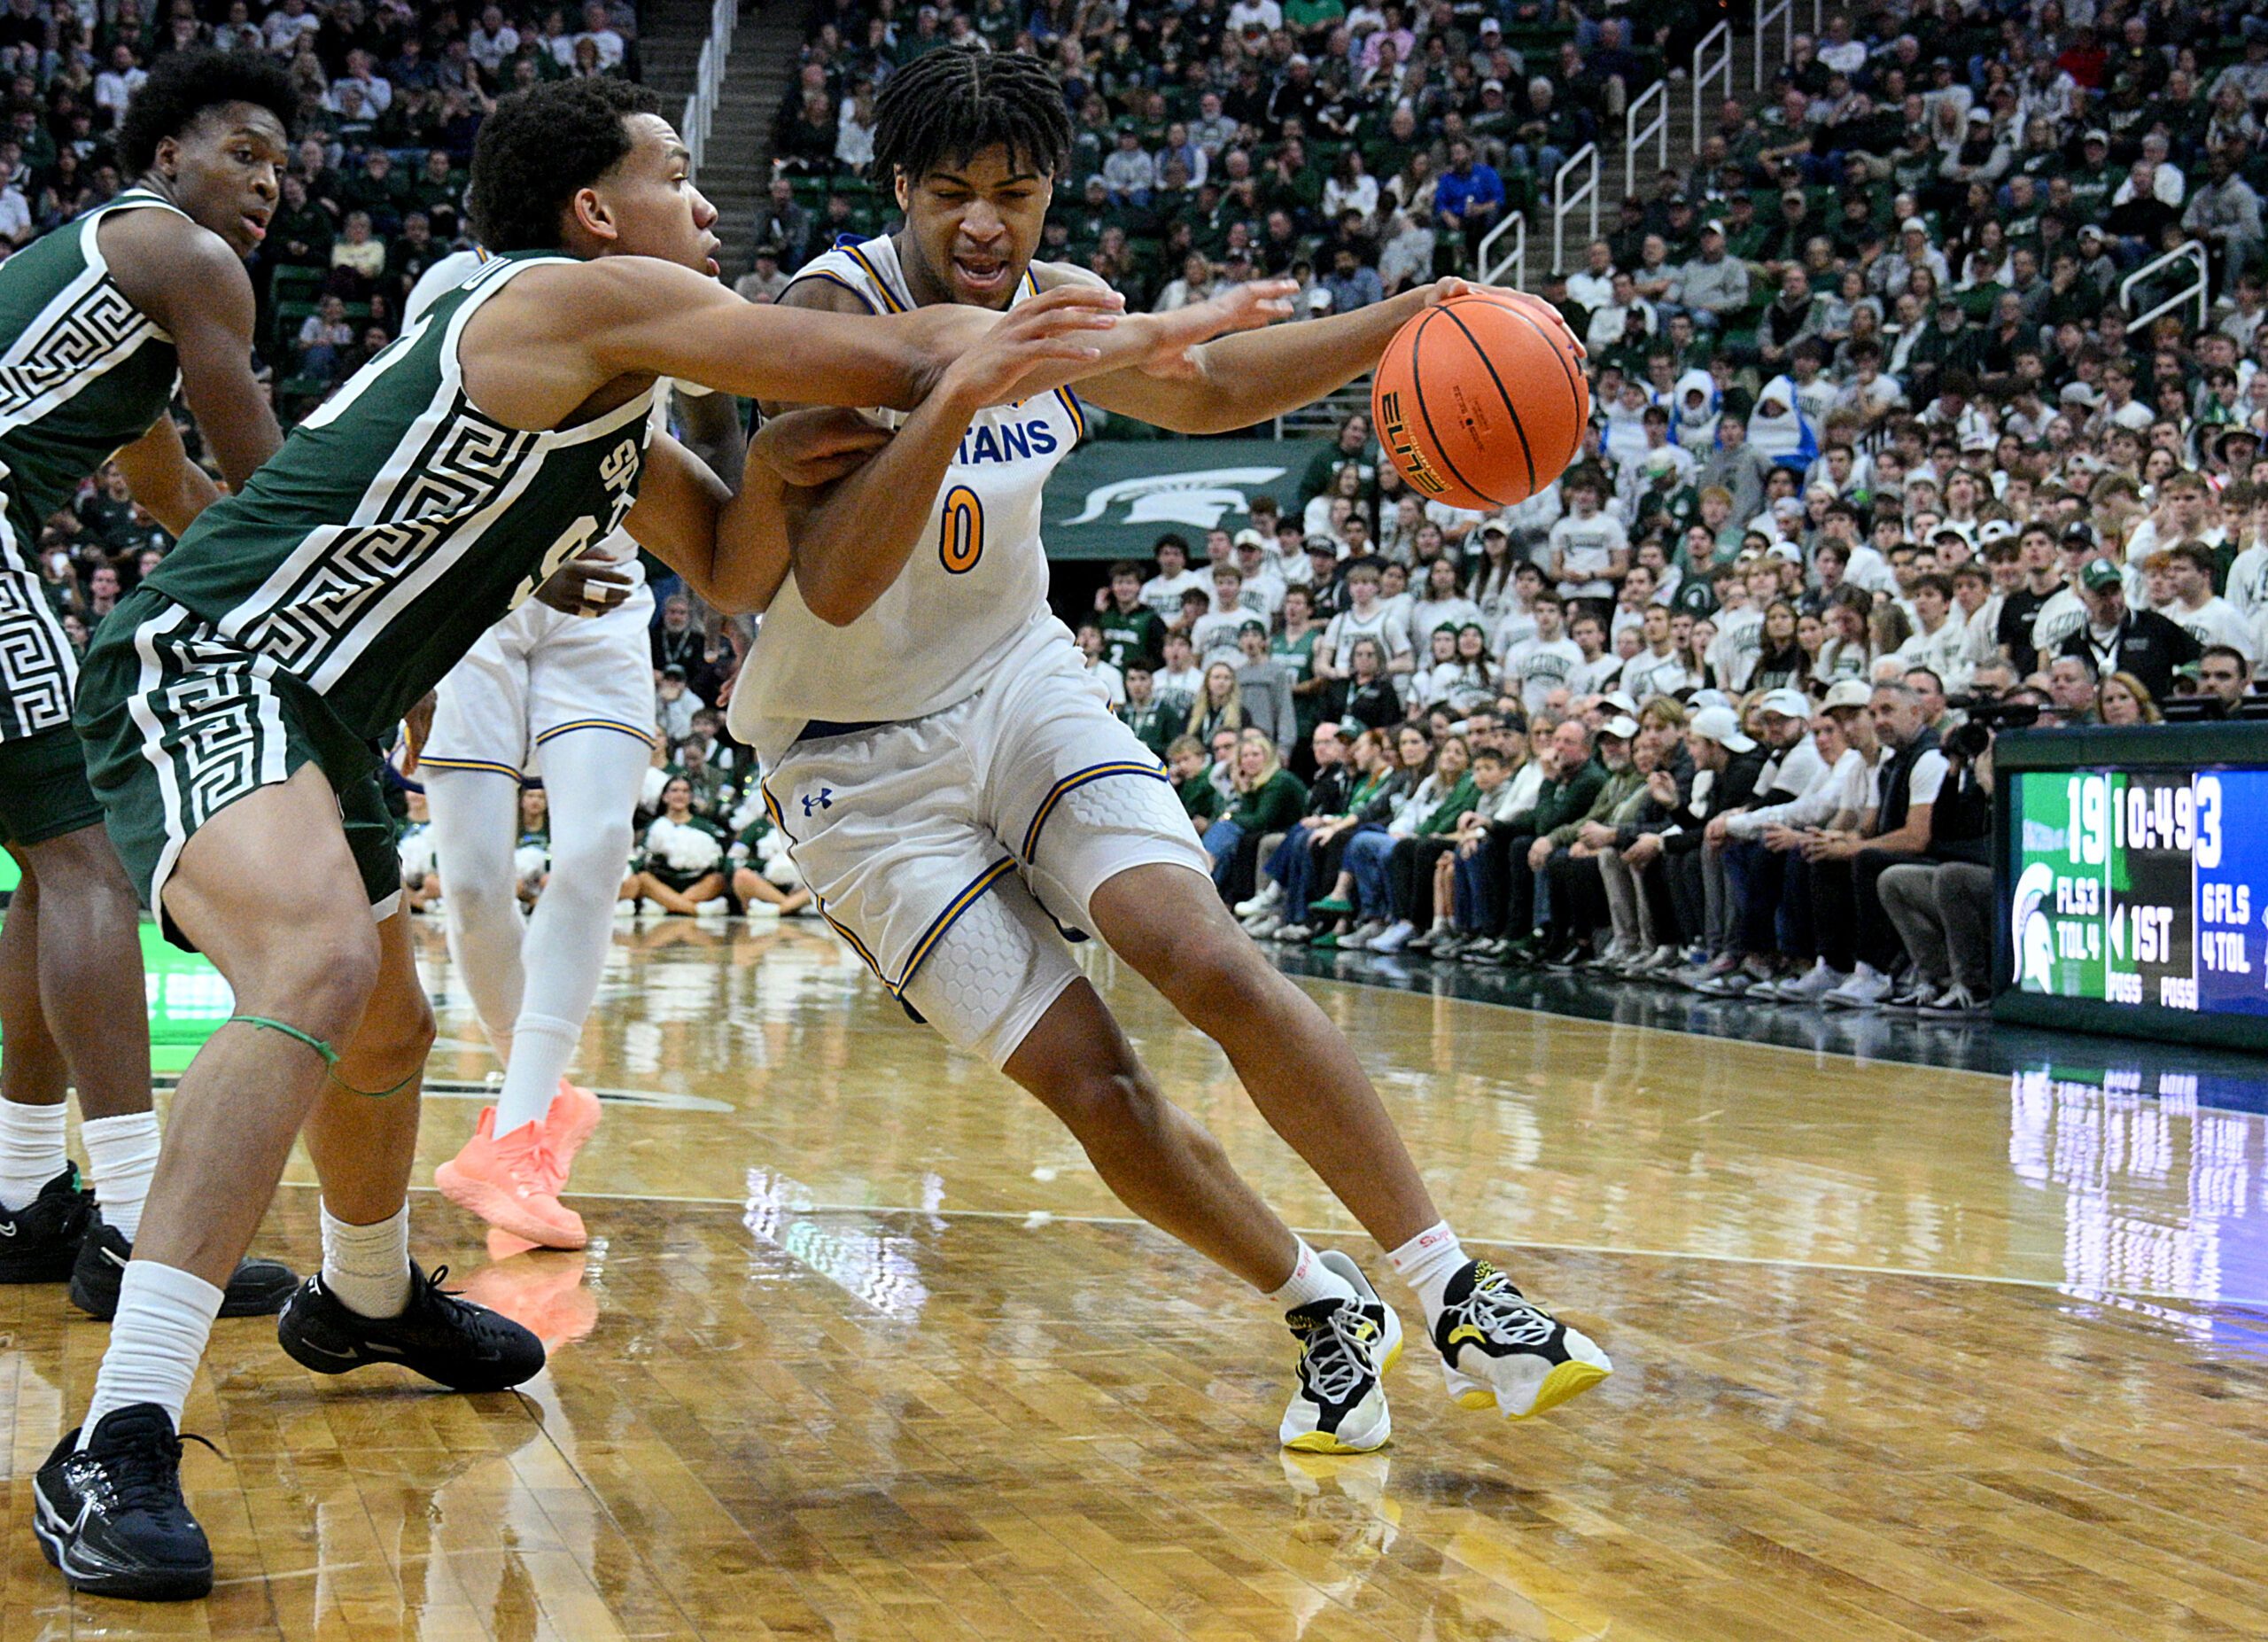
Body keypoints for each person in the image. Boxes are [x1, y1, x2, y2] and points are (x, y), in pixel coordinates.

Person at [44, 76, 1159, 1602]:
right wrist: (1136, 335)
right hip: (215, 655)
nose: (708, 209)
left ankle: (365, 1298)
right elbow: (903, 348)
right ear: (595, 213)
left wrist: (766, 475)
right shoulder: (569, 301)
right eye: (677, 177)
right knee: (310, 965)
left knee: (391, 1024)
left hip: (326, 704)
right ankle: (117, 1429)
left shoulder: (613, 397)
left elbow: (730, 570)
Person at [732, 48, 1611, 1475]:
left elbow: (1199, 390)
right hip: (853, 765)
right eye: (951, 192)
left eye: (1015, 194)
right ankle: (1317, 1304)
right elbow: (825, 586)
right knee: (1094, 1087)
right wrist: (964, 386)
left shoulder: (1058, 303)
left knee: (1201, 955)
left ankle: (1456, 1287)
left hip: (1017, 682)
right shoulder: (827, 315)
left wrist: (1411, 315)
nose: (984, 225)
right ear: (896, 188)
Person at [0, 52, 301, 1332]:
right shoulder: (187, 259)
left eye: (282, 168)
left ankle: (21, 1196)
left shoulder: (108, 269)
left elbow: (174, 489)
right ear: (167, 153)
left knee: (48, 860)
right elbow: (270, 480)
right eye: (246, 152)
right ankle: (133, 1217)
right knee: (88, 867)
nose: (269, 185)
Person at [404, 245, 752, 1251]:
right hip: (474, 601)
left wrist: (731, 587)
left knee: (594, 848)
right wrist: (514, 565)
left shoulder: (669, 297)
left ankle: (515, 1135)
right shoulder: (450, 288)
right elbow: (422, 460)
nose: (696, 209)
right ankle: (542, 1104)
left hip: (600, 607)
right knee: (469, 882)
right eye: (669, 175)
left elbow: (718, 427)